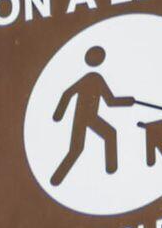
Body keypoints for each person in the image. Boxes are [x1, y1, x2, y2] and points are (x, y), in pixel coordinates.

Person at [49, 46, 133, 184]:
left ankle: (111, 168)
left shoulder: (96, 78)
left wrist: (128, 101)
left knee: (106, 135)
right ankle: (56, 179)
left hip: (89, 117)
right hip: (83, 117)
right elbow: (67, 93)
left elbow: (110, 101)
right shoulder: (92, 77)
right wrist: (58, 114)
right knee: (77, 149)